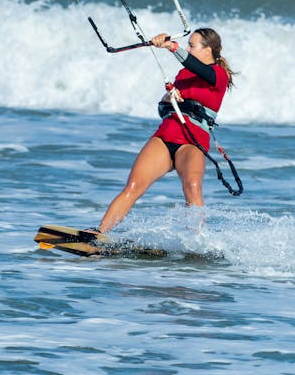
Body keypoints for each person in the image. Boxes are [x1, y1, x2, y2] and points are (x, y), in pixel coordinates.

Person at [96, 27, 235, 234]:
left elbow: (196, 66)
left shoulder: (218, 75)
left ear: (208, 50)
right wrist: (168, 99)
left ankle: (195, 243)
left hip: (192, 142)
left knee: (192, 186)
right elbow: (163, 110)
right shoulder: (184, 74)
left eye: (192, 45)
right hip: (165, 136)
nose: (188, 48)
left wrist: (171, 46)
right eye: (187, 45)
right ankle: (99, 234)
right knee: (133, 187)